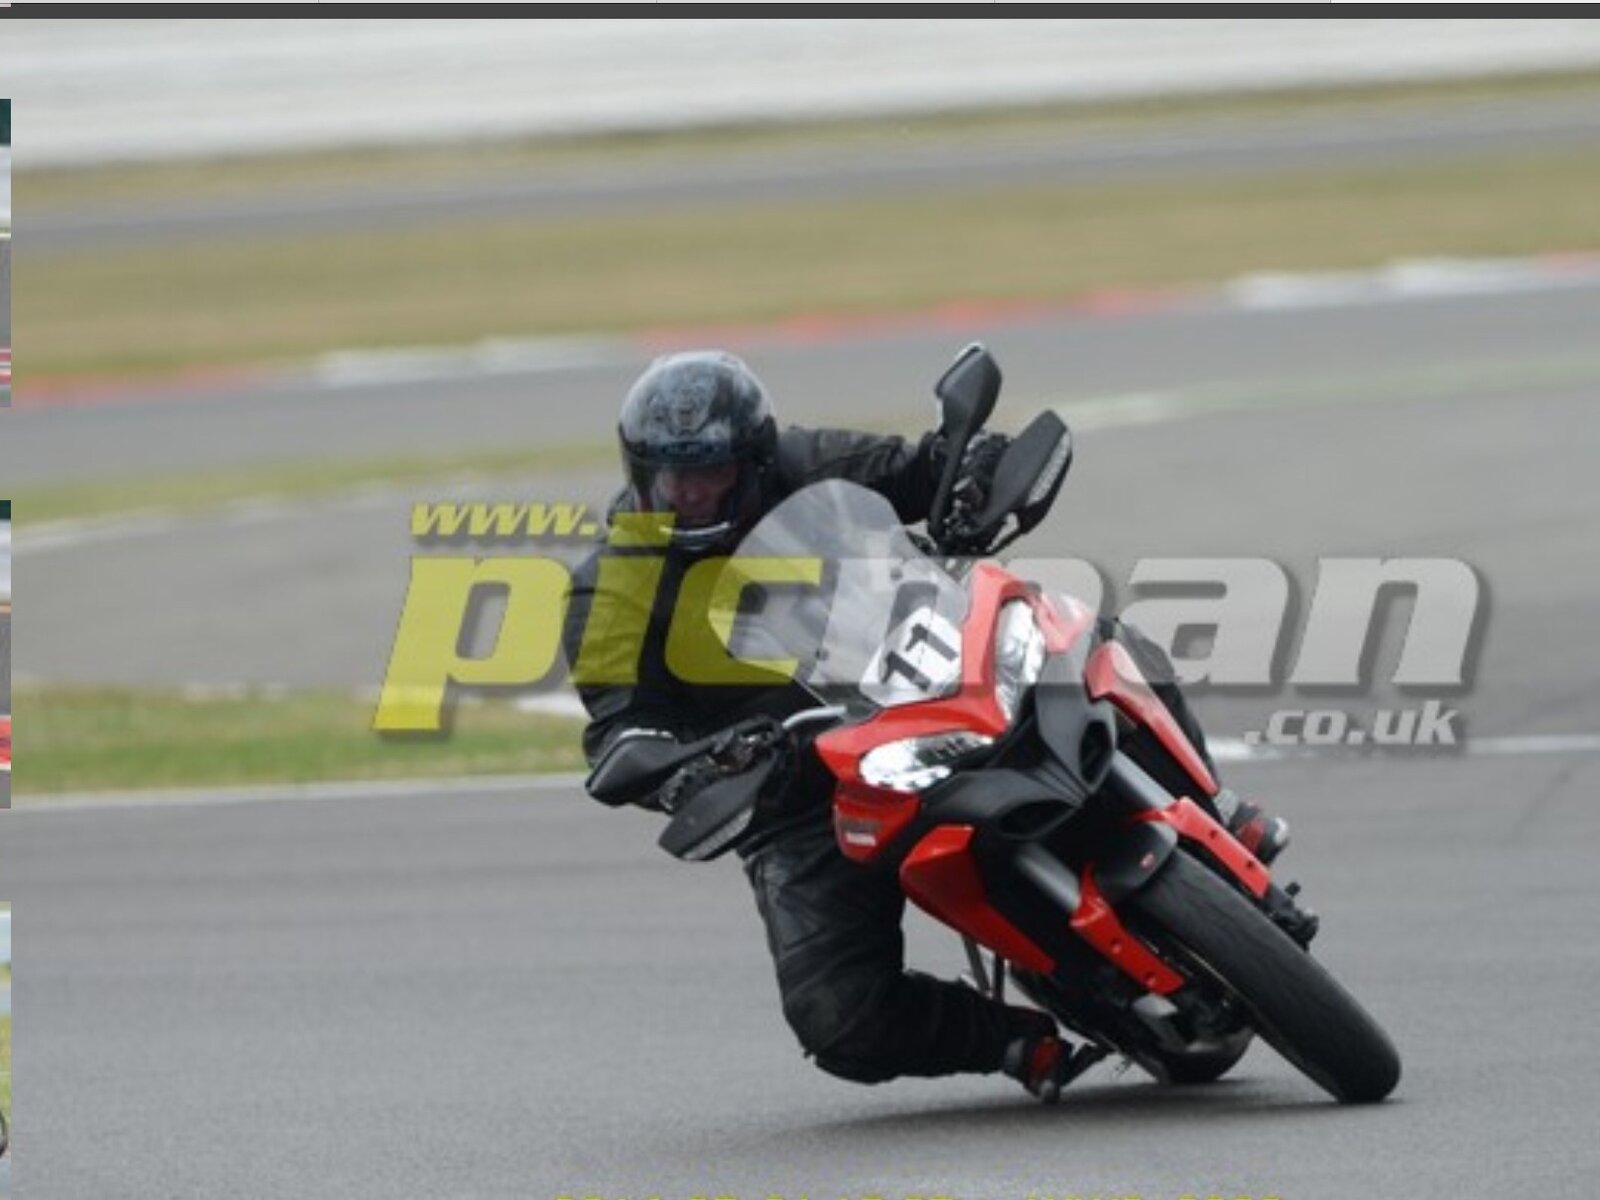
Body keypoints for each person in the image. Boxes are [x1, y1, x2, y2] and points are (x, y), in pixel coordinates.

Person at [561, 349, 1288, 1102]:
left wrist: (966, 470)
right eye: (670, 477)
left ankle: (1217, 806)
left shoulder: (806, 462)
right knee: (836, 1015)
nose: (689, 494)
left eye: (710, 473)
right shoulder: (608, 591)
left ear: (754, 459)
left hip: (930, 667)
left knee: (1093, 640)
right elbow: (621, 730)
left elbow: (921, 468)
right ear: (638, 472)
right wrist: (692, 766)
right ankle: (1012, 1042)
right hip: (799, 789)